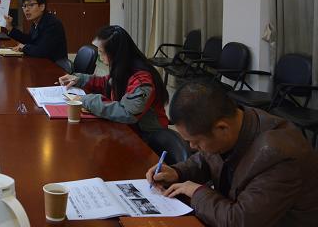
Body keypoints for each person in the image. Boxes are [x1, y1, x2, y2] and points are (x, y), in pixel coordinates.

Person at [146, 81, 318, 227]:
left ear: (222, 128)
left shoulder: (278, 156)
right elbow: (205, 159)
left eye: (196, 142)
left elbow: (239, 221)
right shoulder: (235, 122)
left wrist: (197, 191)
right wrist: (177, 172)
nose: (192, 147)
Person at [58, 25, 168, 136]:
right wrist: (80, 80)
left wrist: (87, 100)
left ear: (116, 54)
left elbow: (127, 113)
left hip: (148, 136)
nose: (99, 57)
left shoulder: (142, 81)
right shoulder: (124, 67)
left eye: (102, 52)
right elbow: (107, 83)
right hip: (126, 129)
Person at [3, 0, 67, 62]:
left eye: (31, 5)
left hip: (56, 65)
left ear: (42, 7)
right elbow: (30, 40)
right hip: (43, 62)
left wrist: (24, 47)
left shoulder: (52, 24)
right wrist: (10, 28)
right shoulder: (37, 22)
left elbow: (43, 51)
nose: (26, 9)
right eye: (24, 6)